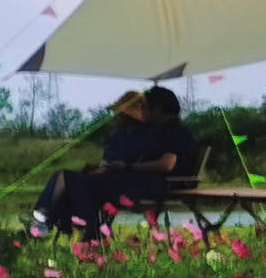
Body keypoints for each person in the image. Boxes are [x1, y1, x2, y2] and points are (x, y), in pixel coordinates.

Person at [32, 87, 196, 236]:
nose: (143, 111)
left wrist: (126, 166)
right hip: (145, 183)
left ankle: (64, 224)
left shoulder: (171, 132)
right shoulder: (164, 131)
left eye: (145, 107)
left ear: (158, 109)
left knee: (73, 181)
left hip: (154, 186)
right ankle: (75, 227)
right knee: (76, 181)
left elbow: (166, 164)